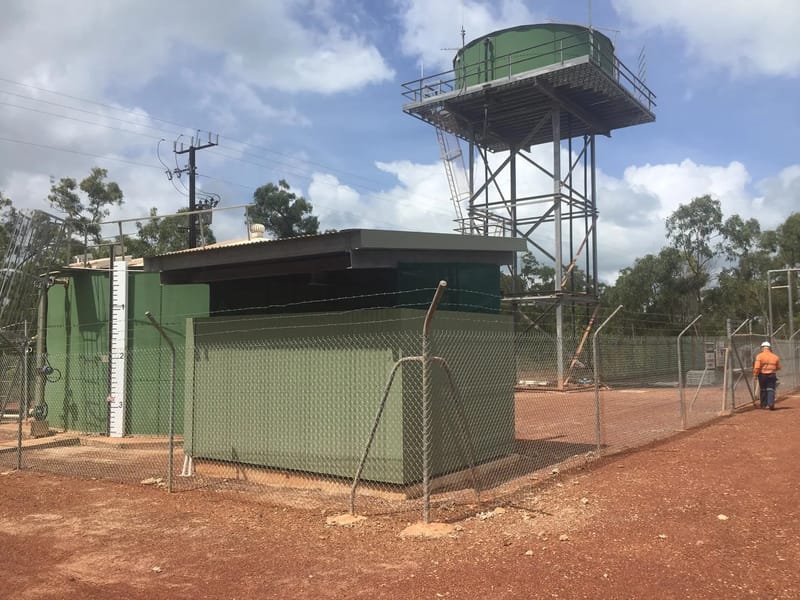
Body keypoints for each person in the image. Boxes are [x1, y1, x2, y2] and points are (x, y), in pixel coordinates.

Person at [753, 341, 781, 410]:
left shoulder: (759, 356)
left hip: (762, 375)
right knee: (771, 389)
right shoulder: (775, 357)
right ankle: (771, 403)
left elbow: (757, 367)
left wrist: (755, 375)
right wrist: (772, 370)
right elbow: (779, 367)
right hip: (772, 375)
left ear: (762, 348)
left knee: (763, 390)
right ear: (769, 348)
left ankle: (763, 405)